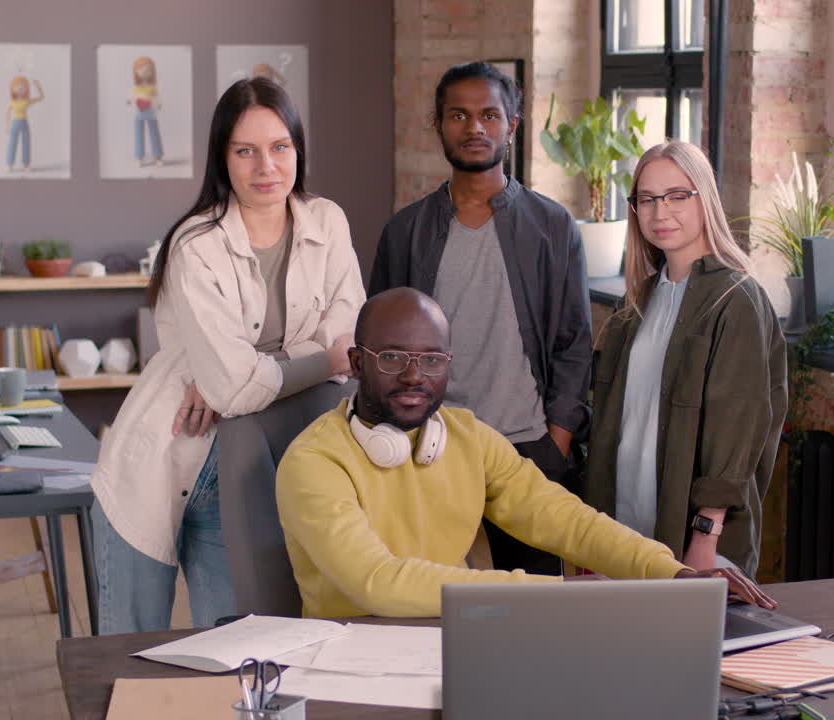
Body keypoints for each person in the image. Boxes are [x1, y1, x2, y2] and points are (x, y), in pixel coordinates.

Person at [275, 288, 774, 618]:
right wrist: (550, 597)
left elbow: (562, 518)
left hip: (450, 644)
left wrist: (670, 572)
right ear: (359, 363)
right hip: (347, 663)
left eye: (432, 359)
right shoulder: (314, 461)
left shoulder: (466, 436)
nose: (414, 376)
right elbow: (376, 581)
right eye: (392, 358)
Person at [89, 77, 364, 634]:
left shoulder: (327, 222)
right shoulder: (196, 243)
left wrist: (241, 376)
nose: (266, 166)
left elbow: (348, 325)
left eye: (279, 147)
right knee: (130, 658)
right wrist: (323, 361)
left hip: (244, 470)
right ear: (224, 158)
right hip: (163, 461)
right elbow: (259, 380)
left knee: (239, 654)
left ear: (298, 150)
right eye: (246, 151)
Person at [369, 62, 591, 576]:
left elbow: (574, 343)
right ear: (439, 125)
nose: (474, 128)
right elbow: (379, 348)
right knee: (427, 602)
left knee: (532, 606)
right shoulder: (405, 230)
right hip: (428, 445)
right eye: (459, 115)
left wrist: (556, 438)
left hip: (527, 447)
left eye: (489, 115)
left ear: (512, 126)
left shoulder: (552, 226)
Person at [583, 140, 787, 578]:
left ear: (705, 198)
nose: (661, 213)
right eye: (647, 199)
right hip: (625, 531)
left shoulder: (736, 300)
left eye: (678, 195)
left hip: (693, 540)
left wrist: (704, 538)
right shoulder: (636, 303)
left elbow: (738, 433)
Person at [6, 76, 44, 172]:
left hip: (25, 122)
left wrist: (37, 85)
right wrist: (7, 126)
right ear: (12, 89)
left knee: (26, 142)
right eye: (17, 86)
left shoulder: (27, 101)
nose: (19, 88)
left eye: (22, 86)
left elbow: (41, 97)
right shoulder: (12, 102)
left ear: (26, 88)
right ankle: (9, 164)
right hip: (15, 123)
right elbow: (7, 113)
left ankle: (26, 164)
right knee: (12, 143)